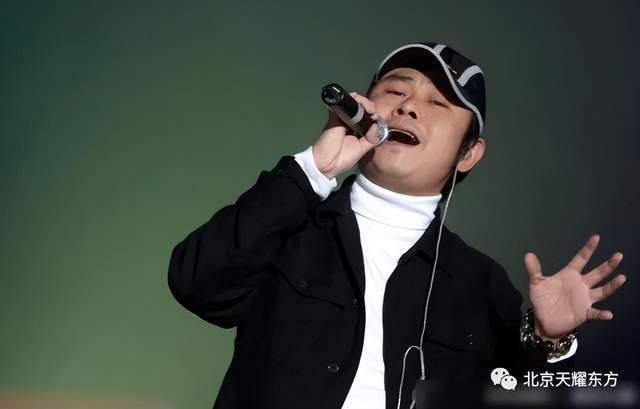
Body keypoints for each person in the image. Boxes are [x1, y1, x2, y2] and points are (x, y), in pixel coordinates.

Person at [167, 42, 627, 409]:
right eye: (394, 92)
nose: (408, 108)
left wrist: (547, 339)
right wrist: (312, 170)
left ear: (469, 153)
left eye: (437, 102)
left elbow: (520, 392)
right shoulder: (291, 225)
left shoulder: (480, 283)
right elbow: (196, 284)